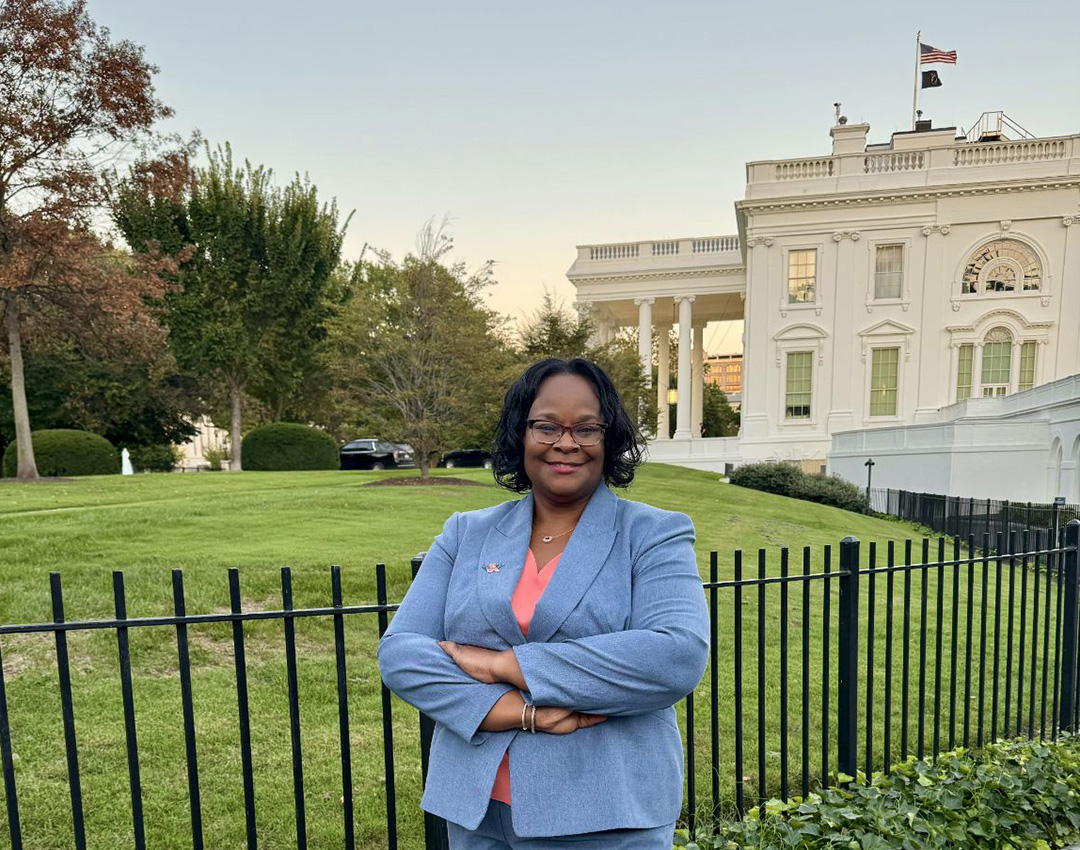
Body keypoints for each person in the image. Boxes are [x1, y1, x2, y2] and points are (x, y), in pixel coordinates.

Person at [378, 358, 710, 849]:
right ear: (522, 434)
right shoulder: (466, 532)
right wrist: (519, 713)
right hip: (475, 811)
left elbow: (675, 656)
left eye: (586, 428)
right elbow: (402, 653)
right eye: (546, 426)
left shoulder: (653, 534)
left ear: (609, 437)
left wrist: (505, 664)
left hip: (604, 815)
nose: (566, 443)